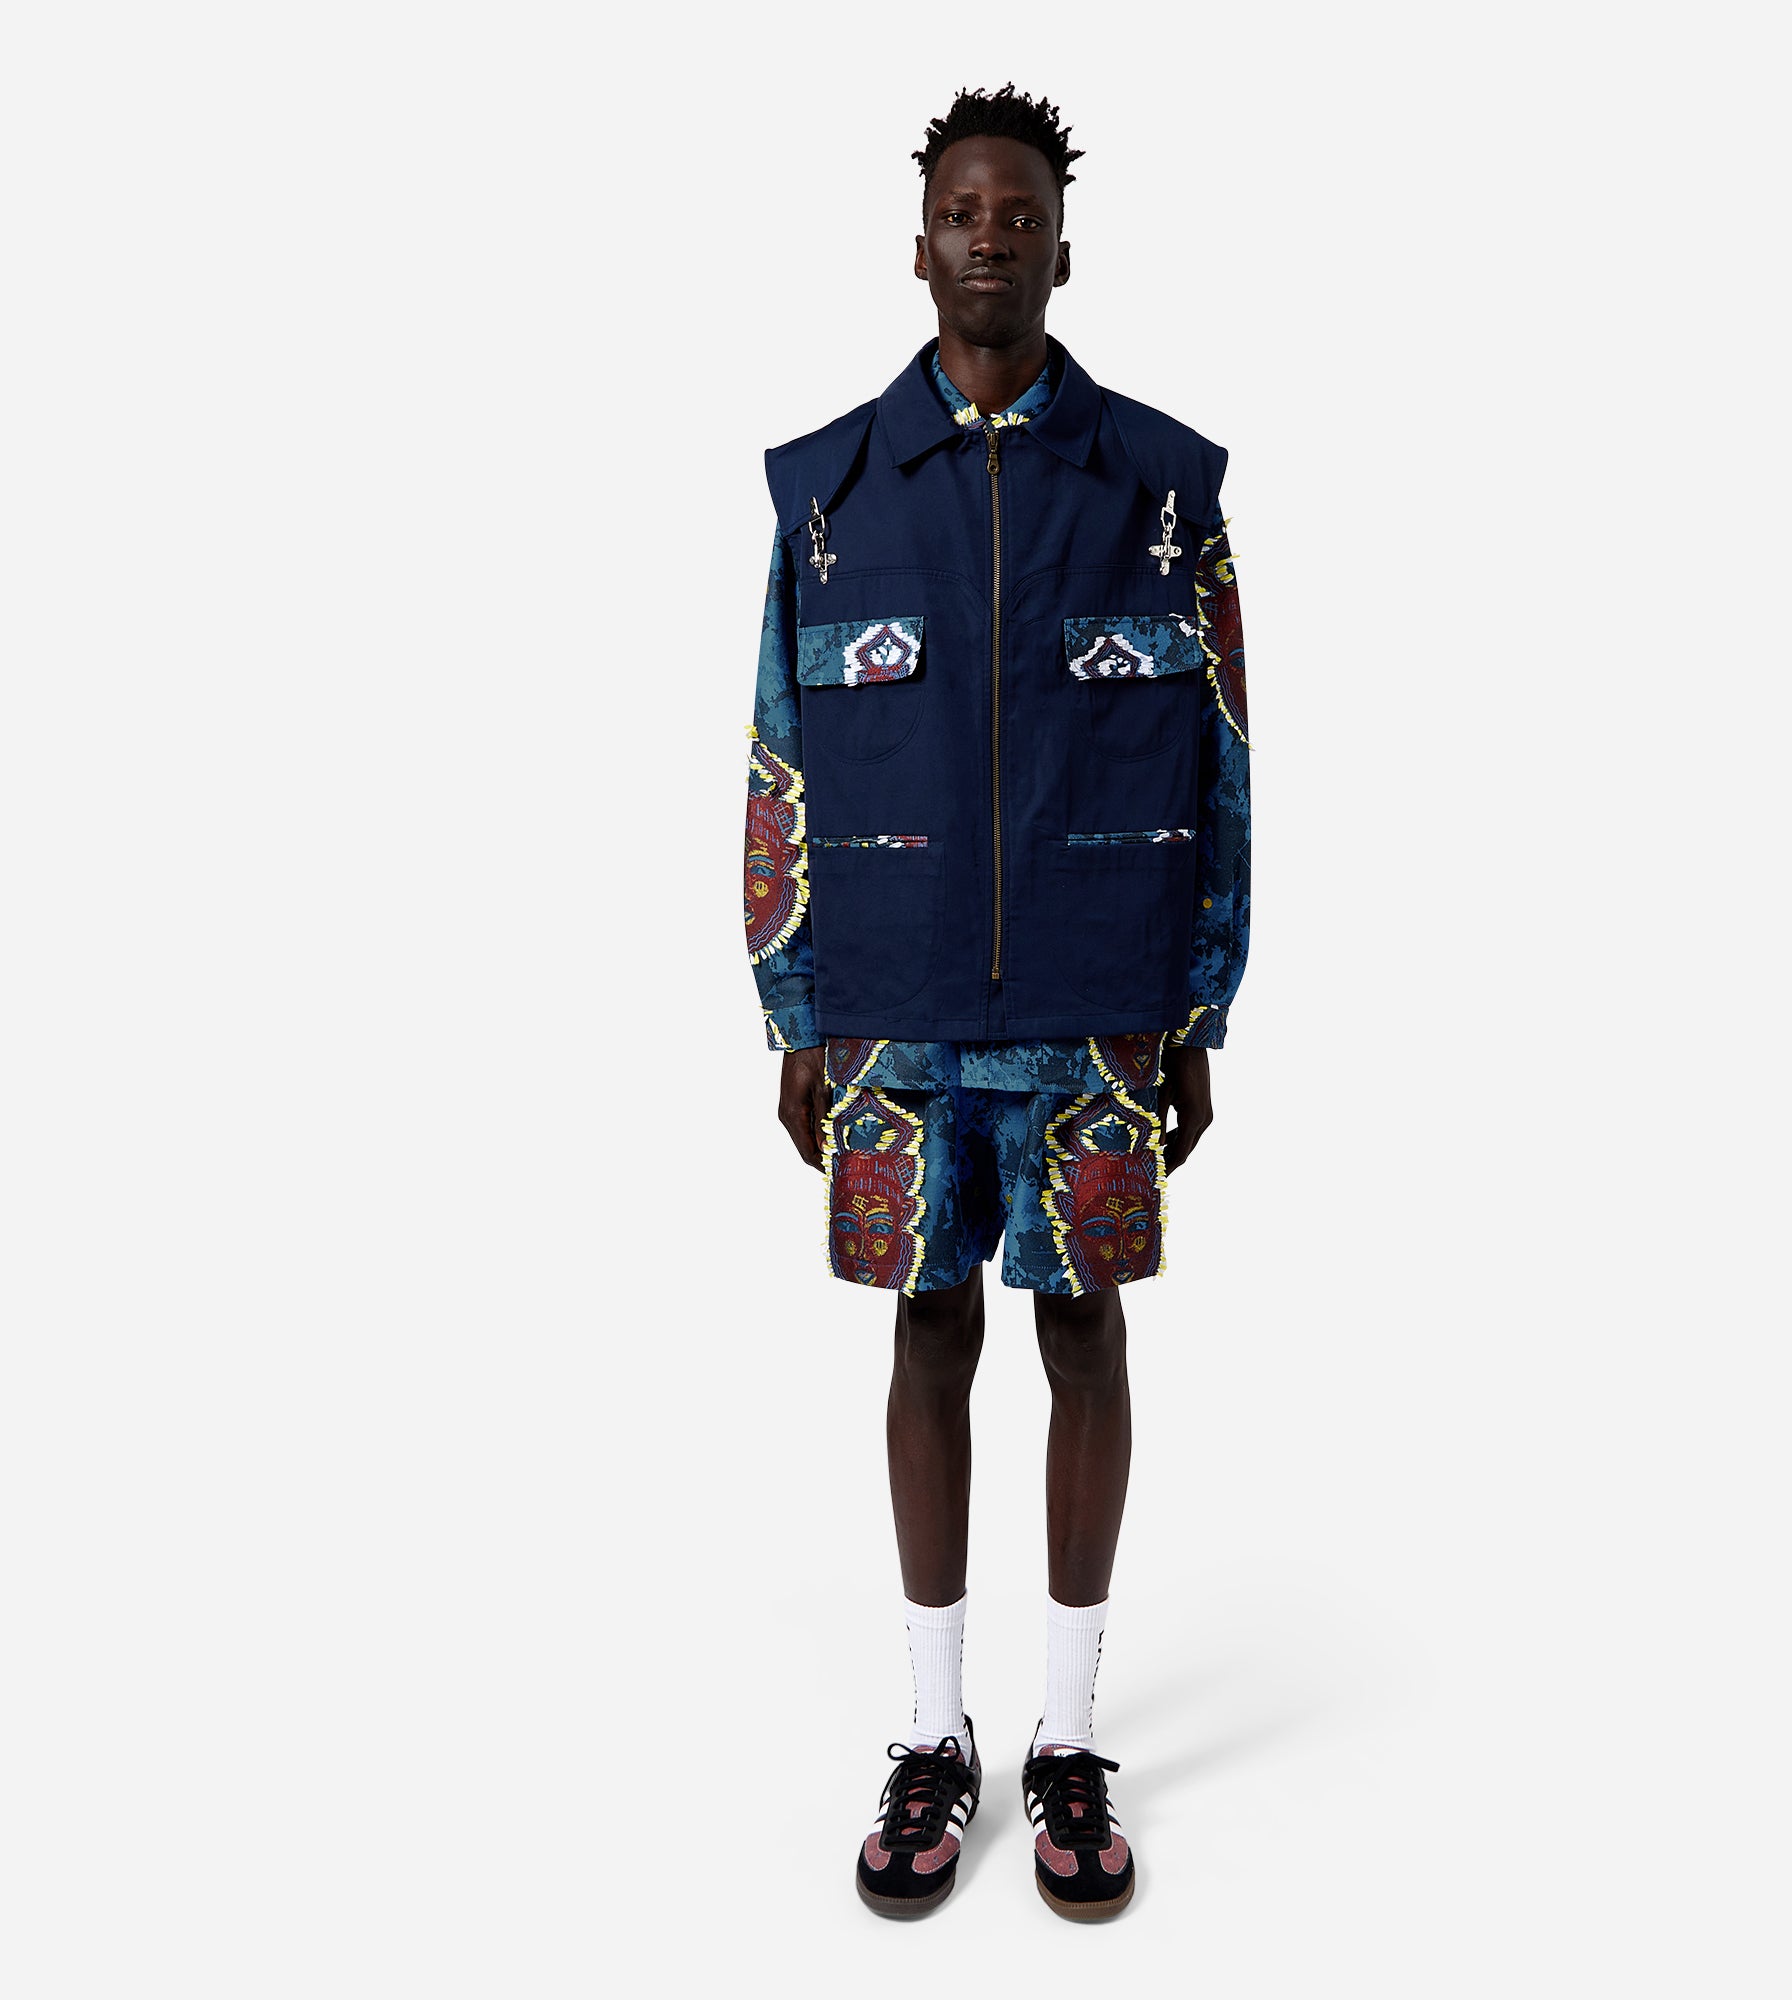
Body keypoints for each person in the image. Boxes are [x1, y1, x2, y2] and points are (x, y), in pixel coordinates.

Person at [741, 82, 1250, 1922]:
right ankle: (931, 1731)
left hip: (1103, 1006)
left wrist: (1200, 1006)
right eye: (963, 209)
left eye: (1019, 211)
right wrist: (794, 1004)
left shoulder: (1164, 493)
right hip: (890, 1006)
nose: (990, 235)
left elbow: (1223, 758)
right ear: (920, 242)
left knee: (1086, 1338)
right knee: (926, 1334)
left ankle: (1069, 1736)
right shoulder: (829, 497)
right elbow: (780, 757)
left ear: (1061, 246)